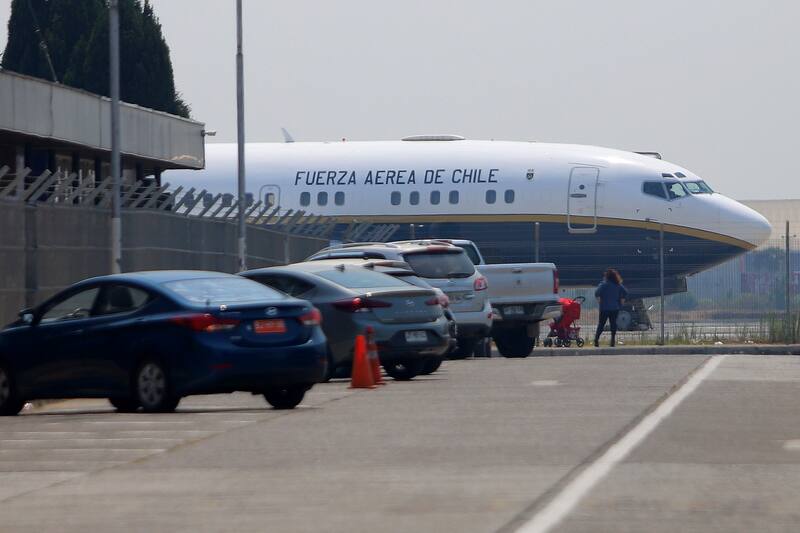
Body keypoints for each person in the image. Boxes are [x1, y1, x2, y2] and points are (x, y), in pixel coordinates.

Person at [594, 268, 628, 347]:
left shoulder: (603, 284)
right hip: (614, 308)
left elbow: (597, 293)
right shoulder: (618, 285)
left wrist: (600, 301)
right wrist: (621, 300)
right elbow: (625, 292)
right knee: (613, 324)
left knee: (601, 324)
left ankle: (596, 339)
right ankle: (612, 341)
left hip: (604, 308)